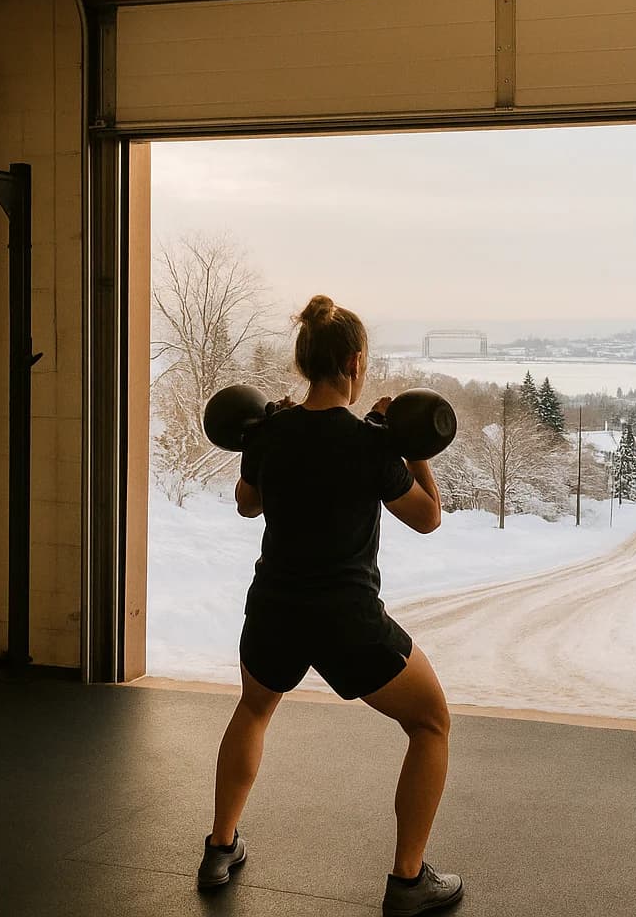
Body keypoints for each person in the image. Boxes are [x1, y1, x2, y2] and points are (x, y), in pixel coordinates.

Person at [196, 294, 464, 917]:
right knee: (430, 724)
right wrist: (406, 445)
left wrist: (277, 452)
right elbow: (427, 517)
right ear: (354, 361)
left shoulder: (268, 432)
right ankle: (407, 882)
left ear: (304, 362)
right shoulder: (371, 446)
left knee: (254, 710)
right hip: (348, 621)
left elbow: (247, 503)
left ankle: (219, 847)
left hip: (274, 610)